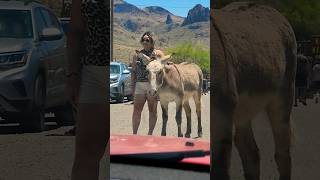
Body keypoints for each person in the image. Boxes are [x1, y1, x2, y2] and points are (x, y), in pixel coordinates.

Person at [66, 0, 109, 180]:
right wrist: (72, 75)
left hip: (133, 79)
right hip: (95, 74)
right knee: (87, 152)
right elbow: (76, 31)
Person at [131, 31, 165, 135]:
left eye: (147, 40)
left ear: (152, 42)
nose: (145, 42)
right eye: (143, 40)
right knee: (137, 110)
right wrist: (133, 86)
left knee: (152, 111)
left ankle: (150, 135)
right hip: (140, 85)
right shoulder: (137, 55)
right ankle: (134, 134)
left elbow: (163, 70)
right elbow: (134, 71)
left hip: (152, 86)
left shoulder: (158, 53)